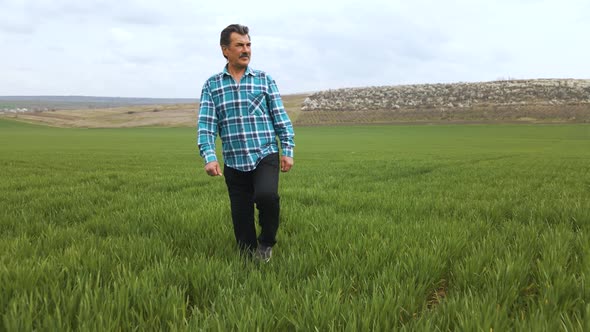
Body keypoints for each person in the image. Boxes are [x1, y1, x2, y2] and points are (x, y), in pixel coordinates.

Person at [197, 24, 295, 262]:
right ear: (225, 50)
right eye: (239, 45)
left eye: (248, 44)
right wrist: (210, 157)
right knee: (241, 219)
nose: (246, 50)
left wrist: (287, 150)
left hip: (265, 154)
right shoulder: (212, 86)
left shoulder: (264, 80)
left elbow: (280, 118)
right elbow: (206, 126)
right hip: (234, 160)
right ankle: (249, 259)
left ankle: (268, 242)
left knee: (266, 197)